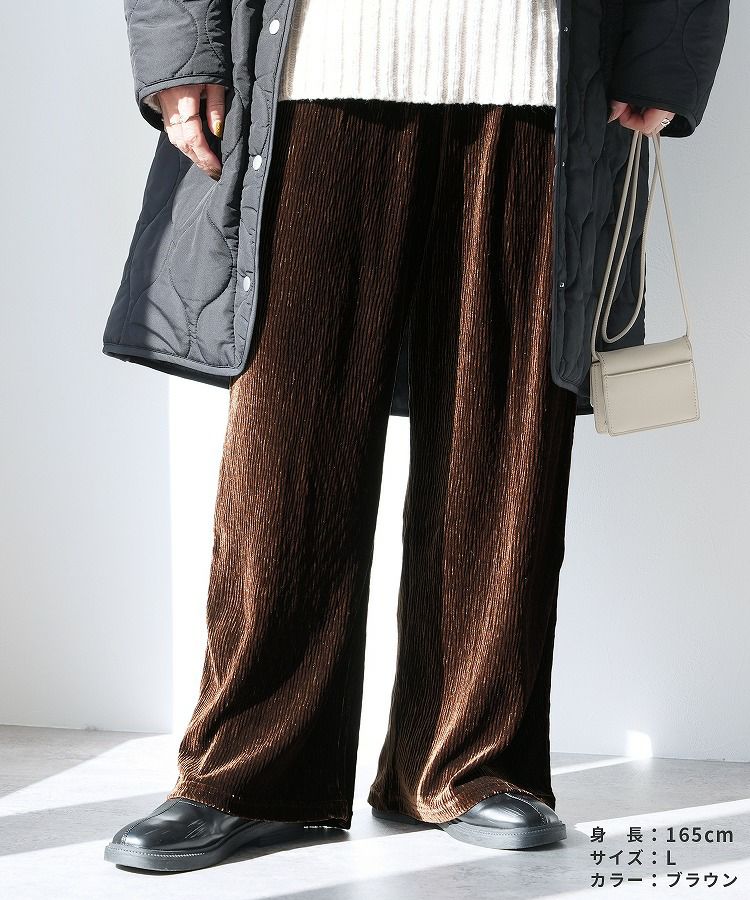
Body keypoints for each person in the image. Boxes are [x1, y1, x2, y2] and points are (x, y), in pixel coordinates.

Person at [102, 0, 729, 874]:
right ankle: (251, 775)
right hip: (317, 67)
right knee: (286, 458)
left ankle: (471, 764)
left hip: (536, 71)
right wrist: (182, 54)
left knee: (502, 443)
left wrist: (666, 52)